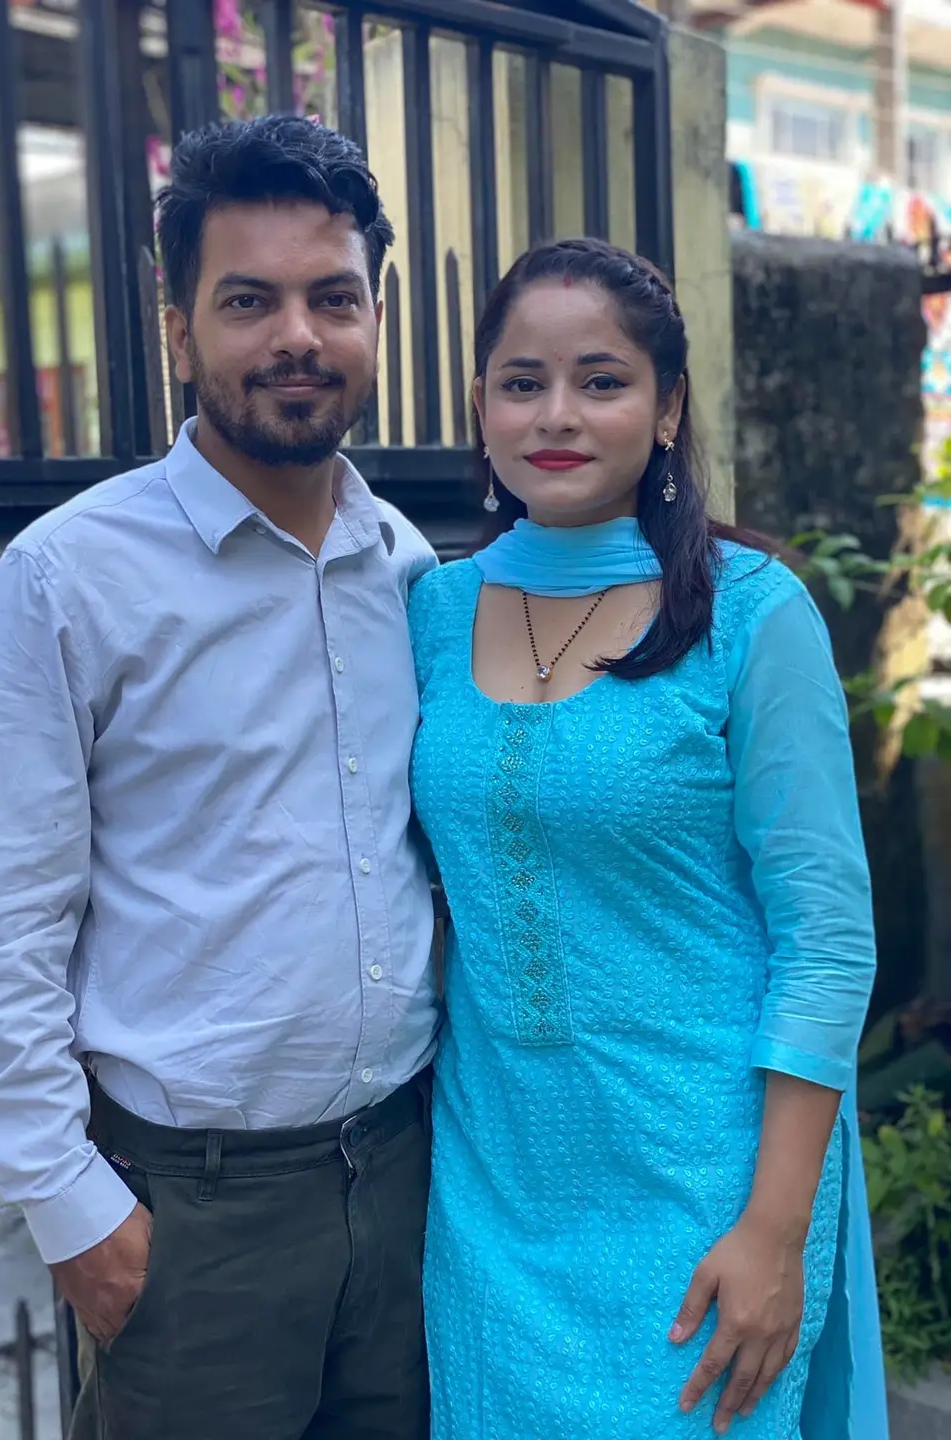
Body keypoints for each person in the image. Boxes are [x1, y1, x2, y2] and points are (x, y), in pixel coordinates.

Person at [0, 115, 438, 1440]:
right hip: (194, 1219)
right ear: (177, 330)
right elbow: (4, 927)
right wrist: (75, 1212)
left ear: (378, 318)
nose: (298, 338)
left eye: (334, 299)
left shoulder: (409, 569)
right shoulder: (67, 579)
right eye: (248, 301)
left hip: (409, 1177)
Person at [408, 237, 887, 1439]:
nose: (556, 415)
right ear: (480, 403)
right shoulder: (432, 611)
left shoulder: (749, 614)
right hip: (495, 1198)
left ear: (668, 407)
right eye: (522, 382)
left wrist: (775, 1228)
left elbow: (827, 938)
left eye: (602, 381)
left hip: (708, 1188)